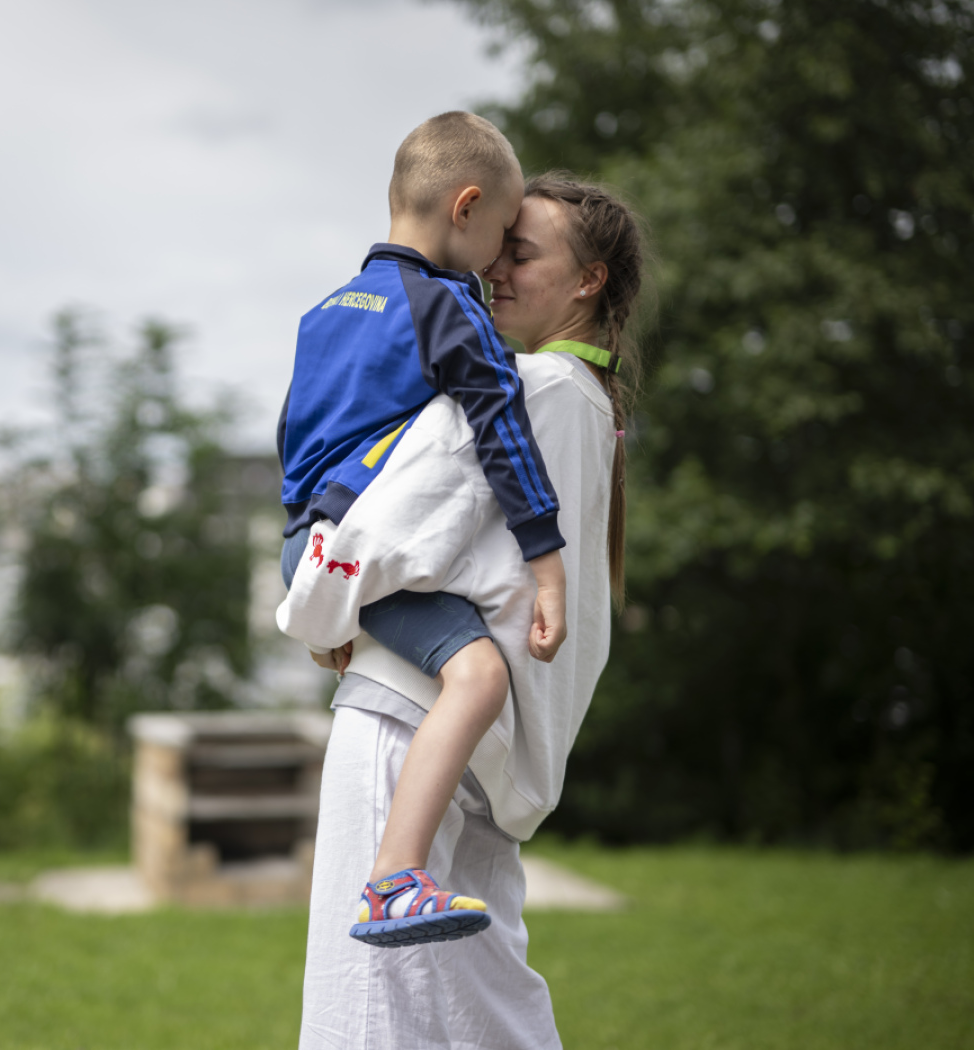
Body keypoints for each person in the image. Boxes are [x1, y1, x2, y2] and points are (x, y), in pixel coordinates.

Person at [282, 173, 647, 1049]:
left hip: (409, 727)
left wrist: (325, 611)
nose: (495, 271)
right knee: (489, 1016)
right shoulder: (593, 406)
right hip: (484, 758)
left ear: (588, 280)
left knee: (367, 1014)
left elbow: (387, 523)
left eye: (522, 254)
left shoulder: (528, 390)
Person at [278, 112, 570, 947]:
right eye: (505, 235)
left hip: (316, 544)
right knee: (479, 679)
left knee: (460, 672)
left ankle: (395, 873)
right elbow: (502, 430)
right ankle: (394, 877)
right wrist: (547, 565)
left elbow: (294, 446)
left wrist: (314, 583)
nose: (500, 261)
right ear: (467, 208)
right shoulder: (446, 309)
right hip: (366, 551)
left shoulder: (325, 311)